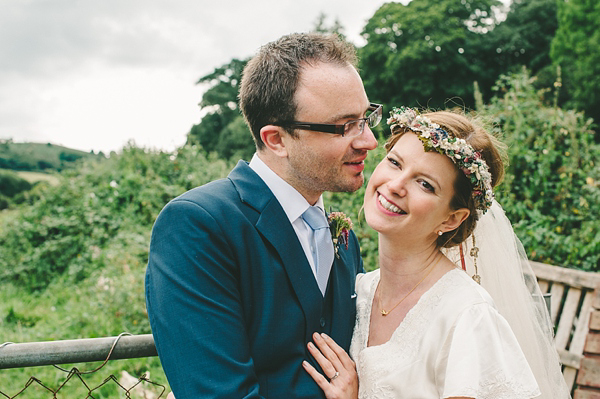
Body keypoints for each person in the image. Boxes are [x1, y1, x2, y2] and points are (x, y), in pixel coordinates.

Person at [145, 32, 380, 398]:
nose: (368, 141)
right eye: (344, 126)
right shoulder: (198, 225)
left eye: (366, 118)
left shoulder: (343, 238)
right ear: (276, 139)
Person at [303, 107, 571, 398]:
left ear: (451, 219)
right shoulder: (360, 290)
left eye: (425, 184)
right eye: (394, 162)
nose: (395, 185)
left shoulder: (465, 316)